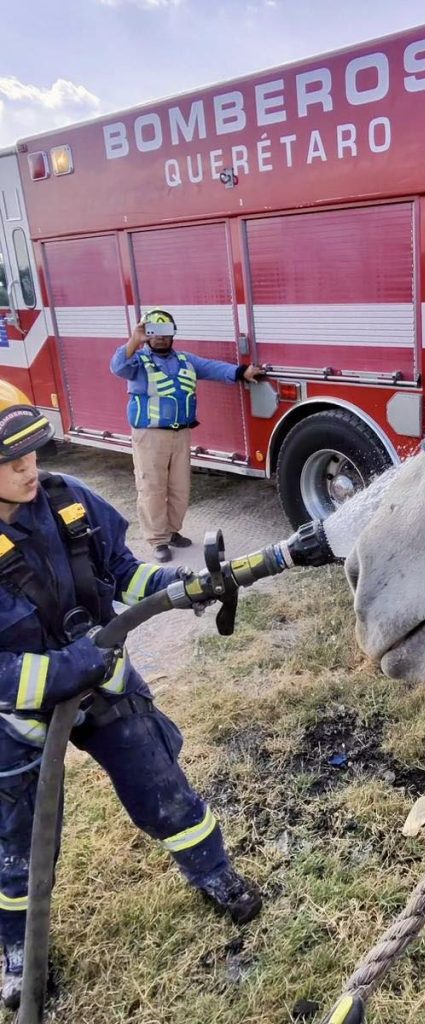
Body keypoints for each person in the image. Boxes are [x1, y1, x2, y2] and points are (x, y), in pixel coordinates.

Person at [0, 381, 262, 1010]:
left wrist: (177, 584)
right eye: (10, 463)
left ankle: (214, 873)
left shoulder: (67, 499)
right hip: (20, 723)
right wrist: (66, 668)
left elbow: (121, 570)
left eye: (31, 454)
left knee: (162, 786)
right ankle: (17, 948)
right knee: (18, 842)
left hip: (105, 687)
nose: (29, 469)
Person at [110, 309, 265, 563]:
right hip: (150, 436)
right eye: (153, 332)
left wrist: (242, 372)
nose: (160, 337)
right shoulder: (137, 362)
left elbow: (213, 368)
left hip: (180, 433)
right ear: (147, 334)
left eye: (165, 331)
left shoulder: (185, 360)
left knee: (179, 487)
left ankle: (172, 532)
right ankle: (158, 540)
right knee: (152, 487)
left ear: (173, 333)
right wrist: (134, 339)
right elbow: (117, 367)